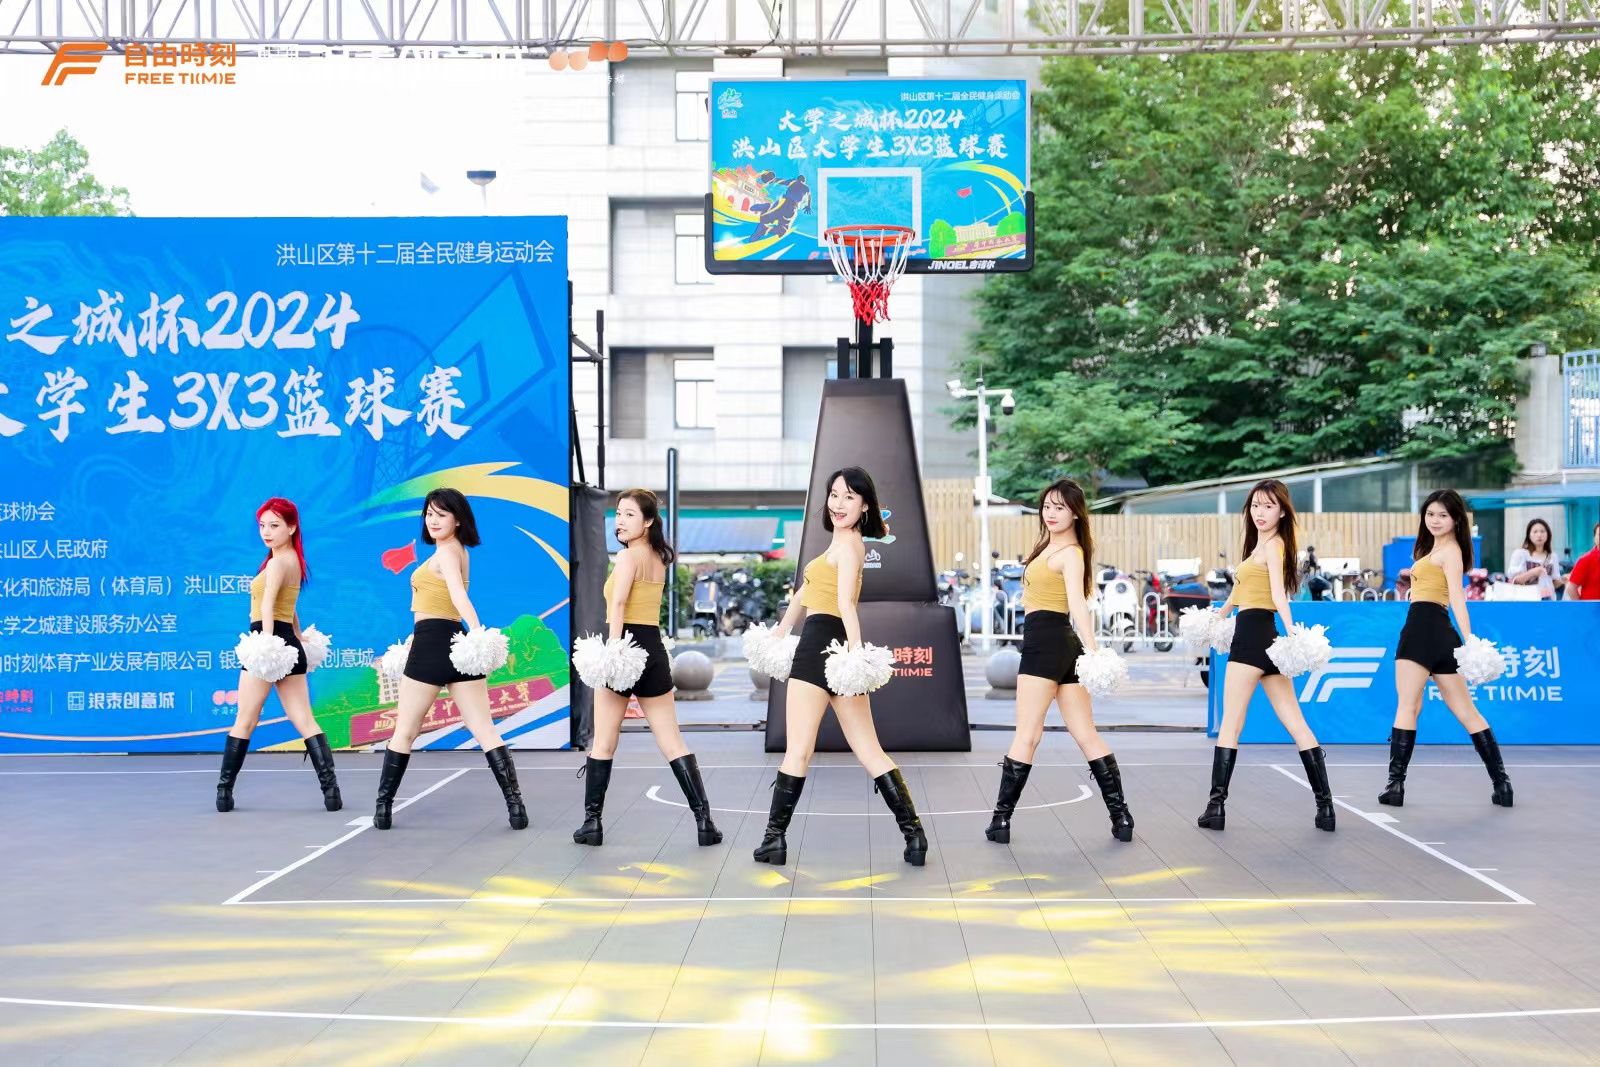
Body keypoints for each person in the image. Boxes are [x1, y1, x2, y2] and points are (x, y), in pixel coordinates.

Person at [753, 467, 928, 867]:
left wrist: (855, 653)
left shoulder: (849, 548)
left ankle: (774, 840)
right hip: (833, 647)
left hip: (822, 645)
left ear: (865, 505)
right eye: (834, 494)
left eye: (849, 496)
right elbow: (805, 592)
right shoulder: (838, 546)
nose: (838, 503)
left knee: (798, 751)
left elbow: (847, 603)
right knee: (869, 750)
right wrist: (780, 630)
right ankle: (914, 836)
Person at [986, 478, 1133, 845]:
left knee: (1027, 735)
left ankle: (1000, 821)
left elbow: (1077, 604)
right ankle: (1121, 817)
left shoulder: (1070, 553)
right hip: (1063, 646)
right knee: (1085, 734)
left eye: (1060, 508)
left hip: (1046, 643)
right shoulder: (1050, 547)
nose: (1050, 513)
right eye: (1047, 506)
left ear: (1075, 514)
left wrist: (1095, 651)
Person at [372, 488, 527, 831]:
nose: (433, 520)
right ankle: (516, 807)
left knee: (405, 731)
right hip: (453, 642)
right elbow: (444, 599)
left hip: (434, 644)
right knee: (484, 728)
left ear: (458, 520)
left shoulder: (447, 552)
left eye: (441, 514)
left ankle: (383, 808)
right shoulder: (455, 550)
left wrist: (478, 632)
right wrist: (469, 636)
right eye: (429, 513)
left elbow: (457, 594)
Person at [573, 489, 721, 848]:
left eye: (630, 515)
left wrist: (614, 651)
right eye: (618, 513)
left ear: (649, 520)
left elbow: (618, 604)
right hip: (652, 649)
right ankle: (705, 822)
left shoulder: (627, 557)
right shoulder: (658, 558)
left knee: (604, 741)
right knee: (672, 741)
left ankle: (592, 824)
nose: (620, 521)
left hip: (624, 647)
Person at [1198, 479, 1337, 833]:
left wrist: (1293, 632)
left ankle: (1216, 807)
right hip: (1267, 640)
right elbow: (1241, 592)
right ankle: (1325, 807)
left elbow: (1278, 595)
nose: (1260, 512)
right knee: (1295, 722)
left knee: (1231, 723)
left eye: (1269, 506)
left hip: (1251, 639)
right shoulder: (1260, 545)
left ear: (1282, 512)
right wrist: (1217, 617)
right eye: (1256, 505)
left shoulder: (1274, 546)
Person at [1378, 490, 1514, 808]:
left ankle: (1395, 785)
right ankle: (1502, 784)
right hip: (1441, 634)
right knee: (1466, 711)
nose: (1435, 520)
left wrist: (1471, 641)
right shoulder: (1437, 549)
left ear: (1456, 520)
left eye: (1443, 515)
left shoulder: (1450, 551)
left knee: (1407, 707)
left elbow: (1457, 597)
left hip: (1421, 630)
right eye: (1430, 514)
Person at [215, 497, 342, 813]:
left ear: (292, 527)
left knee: (245, 720)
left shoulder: (276, 563)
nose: (266, 532)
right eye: (262, 525)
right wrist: (296, 637)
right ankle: (331, 792)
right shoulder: (293, 561)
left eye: (274, 525)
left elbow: (269, 605)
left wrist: (267, 644)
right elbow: (290, 606)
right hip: (288, 644)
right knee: (304, 719)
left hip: (268, 644)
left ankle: (223, 793)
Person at [1508, 518, 1564, 599]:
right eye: (1535, 532)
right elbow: (1514, 580)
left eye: (1542, 531)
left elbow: (1554, 582)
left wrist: (1564, 580)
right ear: (1529, 535)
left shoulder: (1553, 556)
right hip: (1526, 599)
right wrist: (1533, 572)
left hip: (1547, 600)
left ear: (1548, 534)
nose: (1539, 535)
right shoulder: (1520, 554)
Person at [1564, 522, 1600, 600]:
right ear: (1594, 538)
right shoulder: (1585, 559)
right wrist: (1582, 605)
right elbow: (1571, 588)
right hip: (1592, 606)